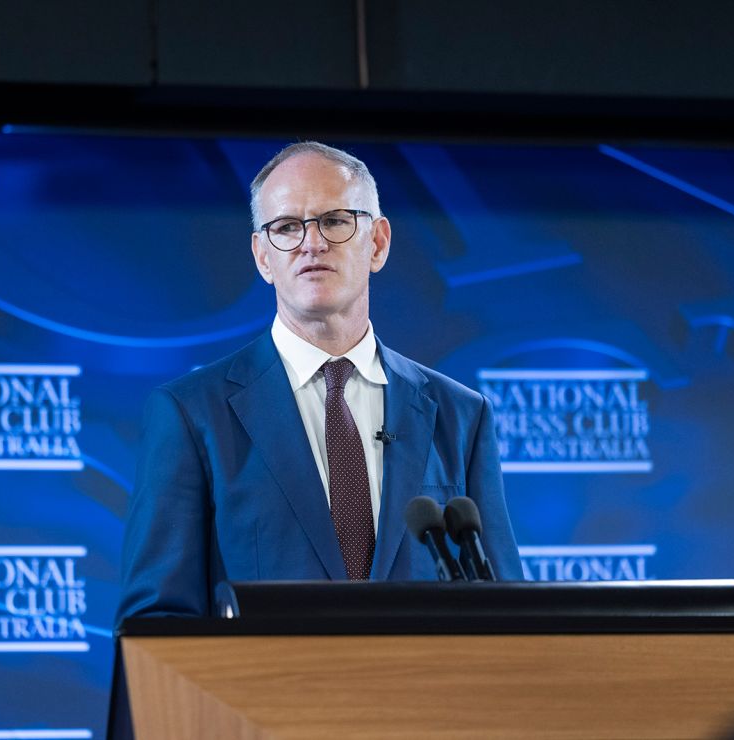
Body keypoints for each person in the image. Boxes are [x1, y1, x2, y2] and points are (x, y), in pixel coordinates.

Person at [117, 141, 521, 621]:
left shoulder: (461, 415)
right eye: (287, 227)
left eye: (334, 220)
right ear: (263, 257)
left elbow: (508, 609)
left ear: (378, 243)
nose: (312, 243)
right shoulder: (191, 414)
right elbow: (157, 622)